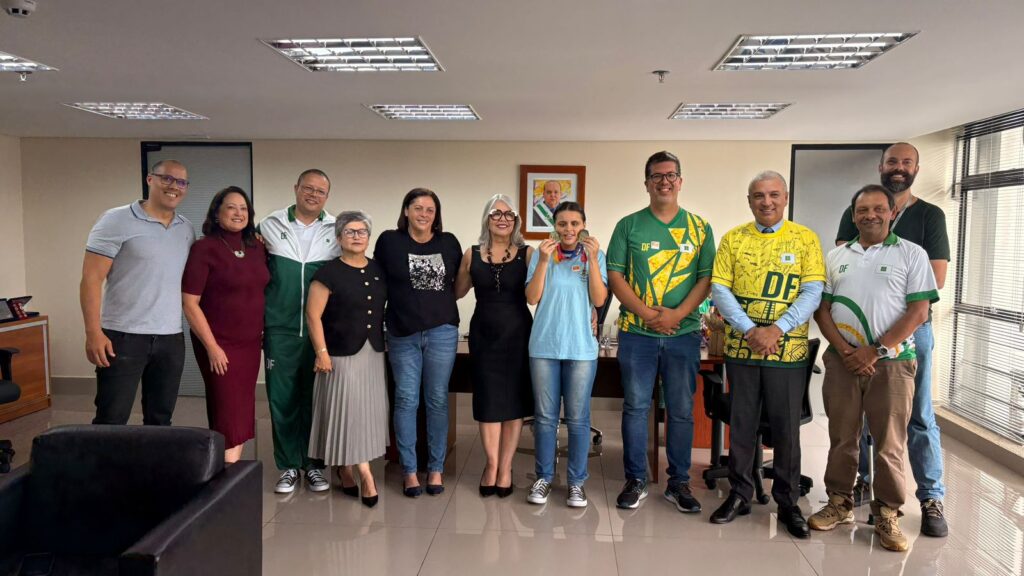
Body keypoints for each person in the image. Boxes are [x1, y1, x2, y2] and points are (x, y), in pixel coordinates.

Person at [810, 184, 937, 552]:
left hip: (892, 364)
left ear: (892, 213)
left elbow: (919, 312)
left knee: (889, 444)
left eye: (879, 209)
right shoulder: (836, 256)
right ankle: (839, 502)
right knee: (842, 437)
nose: (870, 215)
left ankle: (887, 513)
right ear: (853, 216)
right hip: (843, 362)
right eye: (863, 210)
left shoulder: (912, 254)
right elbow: (822, 309)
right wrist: (846, 351)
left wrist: (875, 351)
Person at [834, 142, 950, 537]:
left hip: (910, 335)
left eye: (906, 162)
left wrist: (881, 342)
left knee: (916, 417)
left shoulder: (928, 217)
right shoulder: (853, 215)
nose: (898, 167)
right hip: (857, 339)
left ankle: (930, 497)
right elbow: (850, 274)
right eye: (892, 161)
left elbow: (935, 280)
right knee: (862, 420)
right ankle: (863, 486)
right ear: (880, 166)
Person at [708, 171, 825, 538]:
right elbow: (720, 290)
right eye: (758, 195)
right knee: (742, 426)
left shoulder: (805, 239)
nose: (766, 201)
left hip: (787, 353)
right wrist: (751, 330)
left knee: (786, 429)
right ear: (749, 201)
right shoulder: (733, 239)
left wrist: (776, 329)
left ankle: (788, 502)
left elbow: (813, 291)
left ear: (785, 198)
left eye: (774, 194)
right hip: (742, 350)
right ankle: (740, 494)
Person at [607, 150, 715, 513]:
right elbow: (615, 276)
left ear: (680, 181)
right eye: (657, 176)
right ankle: (636, 479)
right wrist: (647, 315)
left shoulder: (700, 228)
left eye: (670, 175)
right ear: (647, 183)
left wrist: (677, 315)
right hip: (637, 334)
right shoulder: (628, 226)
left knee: (681, 411)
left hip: (683, 334)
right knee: (636, 407)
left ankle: (679, 483)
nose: (664, 181)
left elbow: (706, 279)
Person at [81, 159, 195, 426]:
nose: (174, 186)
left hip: (170, 338)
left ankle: (153, 456)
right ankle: (104, 457)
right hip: (122, 337)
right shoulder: (116, 220)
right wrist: (93, 332)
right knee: (112, 417)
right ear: (150, 179)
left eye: (181, 182)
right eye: (167, 178)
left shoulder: (186, 228)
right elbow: (91, 279)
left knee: (161, 418)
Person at [374, 188, 462, 497]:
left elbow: (457, 285)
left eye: (430, 209)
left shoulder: (448, 243)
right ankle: (409, 471)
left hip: (441, 332)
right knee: (406, 399)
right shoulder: (389, 241)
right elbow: (378, 284)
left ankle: (435, 468)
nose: (424, 214)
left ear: (436, 215)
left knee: (437, 399)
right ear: (406, 211)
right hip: (402, 333)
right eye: (418, 208)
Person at [259, 169, 340, 494]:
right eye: (308, 188)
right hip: (280, 330)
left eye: (320, 191)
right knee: (282, 399)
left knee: (316, 400)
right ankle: (289, 465)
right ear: (296, 188)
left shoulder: (336, 229)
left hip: (321, 332)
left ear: (327, 196)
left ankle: (314, 465)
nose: (313, 194)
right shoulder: (269, 225)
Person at [524, 201, 607, 508]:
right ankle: (544, 477)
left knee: (578, 418)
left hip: (581, 348)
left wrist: (593, 261)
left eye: (574, 223)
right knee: (545, 417)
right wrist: (544, 261)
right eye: (562, 224)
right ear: (554, 227)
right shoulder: (542, 254)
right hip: (544, 346)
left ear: (583, 226)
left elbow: (599, 299)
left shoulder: (595, 255)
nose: (568, 229)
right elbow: (532, 297)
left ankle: (576, 483)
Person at [306, 211, 388, 508]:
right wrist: (321, 352)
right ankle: (365, 473)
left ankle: (346, 468)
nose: (356, 236)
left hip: (372, 353)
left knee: (366, 414)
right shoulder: (328, 273)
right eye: (350, 232)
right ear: (339, 237)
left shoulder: (378, 269)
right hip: (339, 354)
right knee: (348, 413)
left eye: (362, 231)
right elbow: (313, 315)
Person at [182, 187, 269, 463]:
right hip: (219, 343)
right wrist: (212, 347)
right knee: (227, 409)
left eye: (244, 208)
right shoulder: (204, 249)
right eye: (231, 207)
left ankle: (229, 471)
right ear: (217, 213)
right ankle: (225, 475)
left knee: (241, 408)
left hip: (250, 343)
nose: (238, 213)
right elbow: (190, 303)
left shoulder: (256, 247)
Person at [455, 194, 534, 498]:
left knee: (514, 401)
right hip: (484, 334)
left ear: (516, 220)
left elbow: (539, 293)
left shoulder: (528, 253)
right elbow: (457, 292)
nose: (503, 219)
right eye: (496, 214)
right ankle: (491, 464)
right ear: (487, 219)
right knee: (488, 400)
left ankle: (506, 467)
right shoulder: (471, 254)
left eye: (508, 214)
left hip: (518, 333)